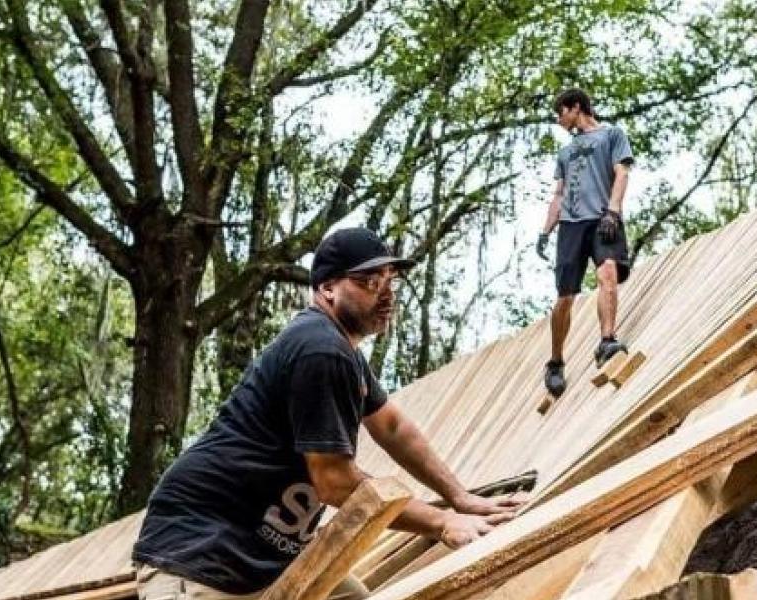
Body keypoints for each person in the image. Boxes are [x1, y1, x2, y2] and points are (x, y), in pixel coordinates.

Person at [131, 228, 524, 599]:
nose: (386, 294)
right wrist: (440, 522)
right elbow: (335, 482)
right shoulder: (319, 349)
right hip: (199, 554)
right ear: (327, 288)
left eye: (391, 281)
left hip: (268, 560)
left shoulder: (342, 352)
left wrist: (460, 497)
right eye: (370, 281)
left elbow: (391, 426)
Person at [536, 88, 635, 397]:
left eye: (560, 112)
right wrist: (545, 230)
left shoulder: (612, 135)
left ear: (575, 107)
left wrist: (613, 212)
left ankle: (607, 340)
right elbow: (559, 194)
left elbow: (622, 173)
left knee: (607, 272)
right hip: (571, 226)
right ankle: (555, 362)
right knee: (565, 297)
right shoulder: (565, 153)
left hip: (603, 218)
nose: (558, 119)